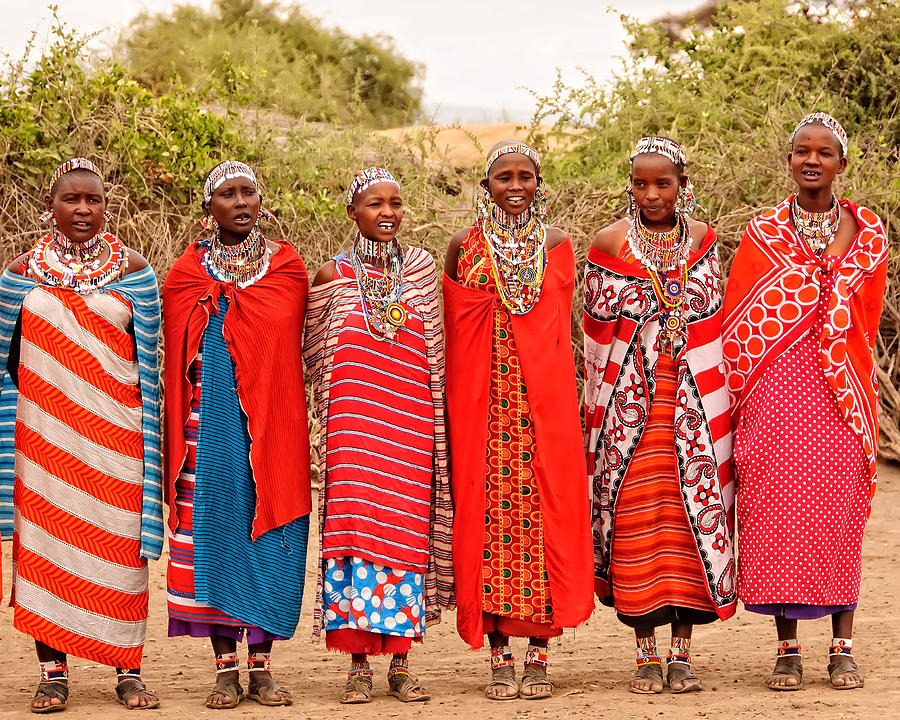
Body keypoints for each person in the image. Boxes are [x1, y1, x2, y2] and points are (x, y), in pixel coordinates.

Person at [722, 113, 888, 692]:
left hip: (843, 394)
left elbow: (862, 317)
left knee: (839, 514)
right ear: (788, 160)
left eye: (823, 152)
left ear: (842, 164)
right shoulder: (763, 232)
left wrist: (824, 284)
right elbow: (738, 321)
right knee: (776, 515)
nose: (811, 160)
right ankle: (787, 649)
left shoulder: (869, 232)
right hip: (773, 393)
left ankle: (843, 647)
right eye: (800, 151)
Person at [0, 157, 162, 711]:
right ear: (52, 207)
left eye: (93, 200)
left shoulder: (135, 272)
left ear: (106, 207)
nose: (83, 209)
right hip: (43, 442)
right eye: (72, 199)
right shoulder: (19, 275)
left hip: (116, 441)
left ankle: (128, 670)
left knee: (118, 553)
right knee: (45, 555)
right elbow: (7, 362)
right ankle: (53, 676)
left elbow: (150, 368)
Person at [583, 137, 737, 695]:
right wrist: (643, 310)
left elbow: (711, 316)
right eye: (641, 184)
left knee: (689, 521)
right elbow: (596, 327)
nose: (651, 194)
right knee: (634, 523)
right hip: (630, 409)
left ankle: (682, 652)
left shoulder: (702, 240)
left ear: (681, 184)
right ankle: (645, 650)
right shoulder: (608, 243)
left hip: (691, 403)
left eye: (662, 183)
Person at [443, 141, 593, 701]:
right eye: (502, 177)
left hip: (541, 409)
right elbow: (455, 334)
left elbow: (558, 333)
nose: (514, 185)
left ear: (539, 183)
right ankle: (499, 658)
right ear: (486, 187)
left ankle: (539, 656)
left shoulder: (557, 247)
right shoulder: (463, 247)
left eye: (525, 176)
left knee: (543, 519)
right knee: (486, 526)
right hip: (482, 409)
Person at [162, 160, 312, 709]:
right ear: (210, 209)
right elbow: (175, 351)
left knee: (271, 533)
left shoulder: (287, 268)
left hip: (272, 430)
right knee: (215, 533)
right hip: (207, 431)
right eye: (228, 194)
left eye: (249, 192)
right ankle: (225, 669)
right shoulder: (186, 274)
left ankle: (263, 666)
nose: (242, 202)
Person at [304, 167, 454, 704]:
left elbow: (434, 353)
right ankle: (358, 665)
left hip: (411, 427)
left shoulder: (420, 271)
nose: (386, 213)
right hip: (354, 429)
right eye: (374, 204)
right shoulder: (330, 277)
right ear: (352, 213)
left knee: (405, 538)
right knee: (353, 535)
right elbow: (318, 359)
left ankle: (401, 662)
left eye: (394, 203)